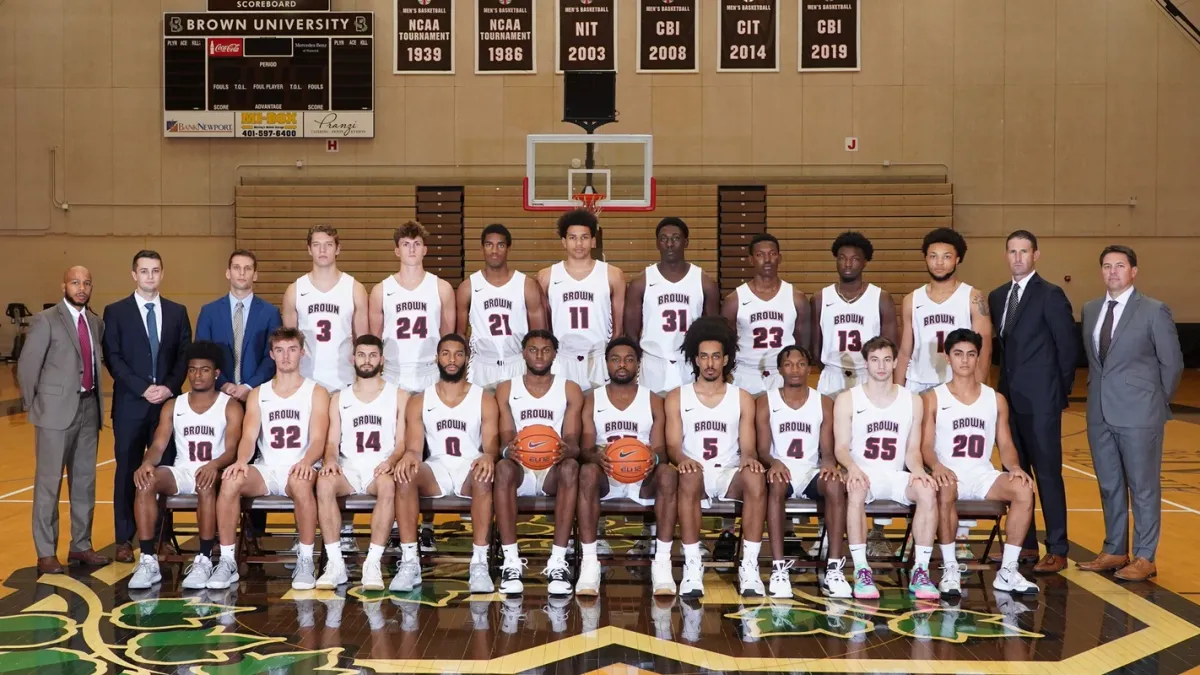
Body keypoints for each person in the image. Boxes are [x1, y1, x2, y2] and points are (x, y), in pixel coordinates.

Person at [1079, 245, 1183, 582]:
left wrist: (1154, 402)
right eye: (1106, 266)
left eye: (1120, 266)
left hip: (1140, 414)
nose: (1113, 272)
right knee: (1110, 485)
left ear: (1133, 271)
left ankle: (1144, 555)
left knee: (1143, 487)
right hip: (1099, 412)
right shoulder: (1091, 309)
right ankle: (1114, 549)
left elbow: (1173, 363)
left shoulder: (1154, 310)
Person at [207, 327, 331, 591]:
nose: (286, 356)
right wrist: (241, 461)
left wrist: (307, 462)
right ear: (272, 354)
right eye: (280, 350)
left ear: (302, 352)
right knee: (230, 481)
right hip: (267, 468)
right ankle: (227, 562)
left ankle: (306, 560)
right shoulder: (259, 393)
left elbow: (319, 439)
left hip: (301, 465)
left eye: (292, 349)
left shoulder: (316, 392)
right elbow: (249, 436)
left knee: (300, 483)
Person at [920, 329, 1038, 597]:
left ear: (978, 357)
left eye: (971, 354)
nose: (965, 360)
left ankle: (1008, 570)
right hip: (949, 475)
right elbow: (926, 446)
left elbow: (1006, 444)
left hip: (983, 475)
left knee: (1024, 489)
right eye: (958, 354)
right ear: (947, 358)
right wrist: (936, 466)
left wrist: (1016, 468)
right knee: (946, 487)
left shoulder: (995, 399)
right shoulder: (933, 398)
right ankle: (950, 567)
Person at [987, 230, 1079, 573]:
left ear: (1035, 255)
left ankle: (1057, 547)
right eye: (1012, 251)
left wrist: (1057, 394)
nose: (1018, 257)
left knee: (1048, 475)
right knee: (1015, 474)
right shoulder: (998, 297)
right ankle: (1022, 545)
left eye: (1024, 251)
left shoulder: (1051, 295)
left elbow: (1068, 350)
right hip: (1009, 401)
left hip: (1042, 402)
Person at [128, 342, 243, 590]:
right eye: (192, 370)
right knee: (146, 480)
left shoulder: (230, 405)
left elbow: (233, 450)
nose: (197, 375)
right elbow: (158, 445)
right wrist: (147, 463)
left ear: (216, 373)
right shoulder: (173, 404)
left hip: (214, 471)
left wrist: (215, 465)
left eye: (203, 369)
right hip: (182, 470)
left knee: (204, 483)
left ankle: (203, 558)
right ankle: (148, 560)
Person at [102, 250, 193, 563]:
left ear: (162, 273)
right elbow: (113, 357)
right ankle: (124, 539)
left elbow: (184, 355)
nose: (150, 277)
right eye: (144, 271)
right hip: (131, 404)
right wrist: (143, 388)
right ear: (134, 274)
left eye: (155, 270)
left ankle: (163, 538)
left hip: (166, 406)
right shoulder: (115, 312)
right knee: (128, 471)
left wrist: (167, 387)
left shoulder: (177, 312)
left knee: (164, 471)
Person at [18, 266, 110, 574]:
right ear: (64, 285)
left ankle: (81, 545)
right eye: (75, 282)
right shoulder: (46, 320)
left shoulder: (96, 323)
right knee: (49, 484)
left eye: (86, 282)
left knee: (84, 483)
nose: (81, 287)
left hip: (89, 409)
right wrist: (36, 407)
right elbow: (28, 366)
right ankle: (46, 552)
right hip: (54, 413)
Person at [666, 317, 765, 598]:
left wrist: (749, 458)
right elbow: (673, 445)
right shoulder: (677, 397)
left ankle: (749, 566)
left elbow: (748, 448)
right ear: (695, 360)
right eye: (704, 357)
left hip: (727, 473)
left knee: (756, 477)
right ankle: (692, 567)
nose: (710, 363)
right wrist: (681, 458)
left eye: (716, 357)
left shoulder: (742, 397)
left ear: (725, 360)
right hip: (693, 471)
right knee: (689, 474)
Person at [394, 334, 499, 594]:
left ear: (467, 358)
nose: (452, 360)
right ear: (437, 358)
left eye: (458, 354)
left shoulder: (483, 398)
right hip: (437, 467)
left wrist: (489, 456)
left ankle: (479, 563)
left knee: (484, 476)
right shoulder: (420, 400)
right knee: (406, 475)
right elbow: (415, 448)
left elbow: (491, 447)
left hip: (469, 466)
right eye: (446, 353)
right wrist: (408, 455)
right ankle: (409, 562)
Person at [833, 336, 937, 600]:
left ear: (895, 363)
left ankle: (921, 571)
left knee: (926, 491)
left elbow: (912, 451)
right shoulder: (848, 399)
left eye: (887, 360)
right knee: (855, 491)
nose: (881, 366)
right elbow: (841, 448)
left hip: (894, 475)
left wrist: (919, 472)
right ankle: (861, 570)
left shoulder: (912, 400)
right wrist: (852, 468)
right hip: (863, 473)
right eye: (875, 360)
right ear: (866, 363)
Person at [577, 337, 679, 596]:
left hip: (642, 478)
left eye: (629, 359)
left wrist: (650, 460)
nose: (622, 365)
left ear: (638, 364)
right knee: (586, 472)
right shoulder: (592, 399)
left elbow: (661, 453)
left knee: (667, 474)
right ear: (606, 364)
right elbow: (586, 448)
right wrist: (595, 458)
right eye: (615, 359)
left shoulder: (653, 400)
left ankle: (662, 563)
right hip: (606, 477)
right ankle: (589, 562)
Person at [313, 335, 408, 591]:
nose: (367, 360)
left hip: (380, 467)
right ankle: (335, 564)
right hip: (349, 467)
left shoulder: (399, 396)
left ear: (382, 359)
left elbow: (402, 444)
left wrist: (391, 461)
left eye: (373, 355)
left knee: (389, 486)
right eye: (362, 355)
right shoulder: (339, 397)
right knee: (323, 483)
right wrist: (330, 461)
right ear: (352, 359)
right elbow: (331, 443)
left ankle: (373, 563)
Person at [493, 330, 583, 596]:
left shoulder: (570, 388)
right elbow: (505, 443)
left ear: (555, 354)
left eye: (546, 350)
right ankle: (511, 562)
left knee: (572, 468)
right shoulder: (506, 388)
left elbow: (574, 442)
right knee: (502, 468)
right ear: (523, 353)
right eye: (533, 349)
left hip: (553, 469)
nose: (539, 355)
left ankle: (557, 561)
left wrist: (568, 450)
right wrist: (509, 452)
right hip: (521, 469)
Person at [757, 345, 851, 599]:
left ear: (808, 368)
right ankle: (778, 568)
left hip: (810, 471)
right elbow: (763, 450)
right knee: (775, 485)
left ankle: (834, 568)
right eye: (788, 364)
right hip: (781, 469)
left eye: (800, 364)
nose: (795, 369)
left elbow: (827, 452)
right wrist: (772, 462)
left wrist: (830, 465)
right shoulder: (766, 401)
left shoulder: (824, 402)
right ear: (779, 369)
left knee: (834, 484)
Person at [623, 217, 720, 396]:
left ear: (686, 242)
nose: (669, 244)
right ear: (657, 243)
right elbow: (630, 331)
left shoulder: (704, 282)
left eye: (675, 238)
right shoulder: (641, 282)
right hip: (653, 363)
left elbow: (713, 332)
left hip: (689, 363)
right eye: (663, 238)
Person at [537, 209, 626, 392]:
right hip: (562, 358)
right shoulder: (546, 276)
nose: (579, 243)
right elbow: (543, 327)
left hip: (599, 358)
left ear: (593, 240)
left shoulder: (613, 274)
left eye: (585, 237)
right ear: (564, 241)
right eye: (572, 237)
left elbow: (619, 329)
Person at [895, 228, 991, 393]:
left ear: (957, 259)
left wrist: (976, 390)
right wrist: (896, 392)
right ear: (926, 258)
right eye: (933, 256)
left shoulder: (973, 297)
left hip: (958, 385)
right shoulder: (912, 300)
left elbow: (985, 349)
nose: (939, 263)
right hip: (918, 384)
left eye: (946, 257)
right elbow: (904, 352)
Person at [371, 220, 456, 394]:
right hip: (393, 373)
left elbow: (448, 341)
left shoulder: (442, 288)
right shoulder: (381, 290)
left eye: (417, 244)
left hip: (430, 372)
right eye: (405, 244)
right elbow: (374, 342)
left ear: (424, 250)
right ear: (397, 251)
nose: (411, 249)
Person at [458, 223, 547, 390]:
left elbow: (539, 336)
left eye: (500, 245)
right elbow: (460, 335)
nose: (494, 250)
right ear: (482, 248)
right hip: (482, 365)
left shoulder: (526, 285)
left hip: (517, 362)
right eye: (489, 245)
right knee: (482, 416)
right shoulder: (468, 287)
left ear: (508, 249)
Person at [282, 225, 369, 393]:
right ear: (309, 249)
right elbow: (289, 345)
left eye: (328, 244)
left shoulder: (354, 288)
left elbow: (362, 343)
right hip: (306, 381)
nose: (322, 250)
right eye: (316, 245)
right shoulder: (295, 291)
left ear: (338, 249)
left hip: (345, 381)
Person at [722, 234, 809, 397]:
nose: (767, 259)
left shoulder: (796, 298)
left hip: (782, 374)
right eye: (760, 255)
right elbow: (726, 343)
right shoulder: (735, 300)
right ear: (751, 260)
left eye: (772, 254)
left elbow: (802, 344)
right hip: (746, 373)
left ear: (780, 257)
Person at [812, 232, 898, 396]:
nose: (848, 264)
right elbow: (815, 349)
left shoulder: (881, 298)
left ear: (865, 262)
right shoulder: (820, 298)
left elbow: (891, 347)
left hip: (868, 375)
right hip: (832, 376)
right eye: (842, 258)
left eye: (855, 259)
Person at [195, 249, 283, 402]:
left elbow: (272, 357)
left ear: (255, 275)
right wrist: (223, 384)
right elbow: (202, 355)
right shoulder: (209, 311)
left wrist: (249, 386)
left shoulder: (270, 313)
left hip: (257, 395)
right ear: (228, 273)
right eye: (236, 268)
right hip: (216, 395)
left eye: (247, 268)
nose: (242, 273)